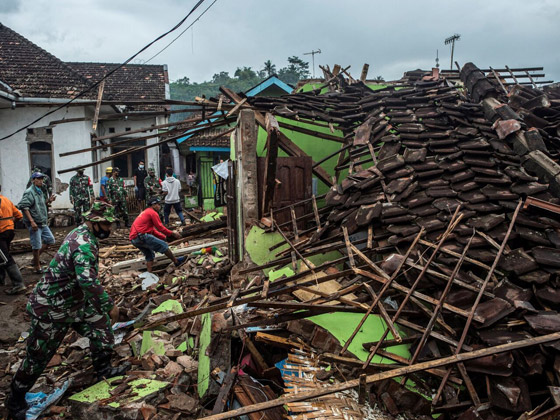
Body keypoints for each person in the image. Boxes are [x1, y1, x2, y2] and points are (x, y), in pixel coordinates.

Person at [5, 201, 129, 420]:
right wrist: (111, 306)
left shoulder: (85, 234)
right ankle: (15, 401)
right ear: (95, 222)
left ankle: (103, 370)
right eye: (108, 225)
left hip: (74, 302)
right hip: (51, 307)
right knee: (38, 357)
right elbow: (87, 281)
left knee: (101, 328)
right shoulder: (83, 243)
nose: (111, 229)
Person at [130, 197, 185, 273]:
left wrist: (165, 237)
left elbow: (153, 231)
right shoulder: (152, 212)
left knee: (150, 256)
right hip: (142, 236)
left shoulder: (146, 212)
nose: (159, 206)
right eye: (158, 204)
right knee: (164, 246)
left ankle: (149, 273)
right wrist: (172, 234)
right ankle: (176, 262)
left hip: (134, 239)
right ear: (153, 205)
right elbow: (160, 227)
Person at [18, 172, 55, 274]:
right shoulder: (29, 192)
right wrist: (32, 221)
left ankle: (35, 259)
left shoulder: (40, 191)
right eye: (38, 179)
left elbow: (41, 204)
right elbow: (24, 206)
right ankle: (37, 267)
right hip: (35, 224)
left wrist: (49, 201)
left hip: (42, 222)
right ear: (33, 180)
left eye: (42, 179)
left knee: (50, 240)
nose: (40, 181)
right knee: (36, 245)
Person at [0, 185, 26, 294]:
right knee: (1, 256)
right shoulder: (6, 200)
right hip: (9, 231)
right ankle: (1, 280)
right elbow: (19, 215)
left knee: (5, 257)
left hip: (1, 232)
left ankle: (19, 284)